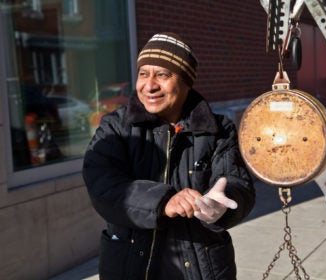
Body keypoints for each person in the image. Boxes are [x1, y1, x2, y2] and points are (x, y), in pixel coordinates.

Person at [82, 32, 255, 280]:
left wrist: (221, 205)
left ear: (186, 81)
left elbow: (239, 184)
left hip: (202, 268)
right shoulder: (116, 127)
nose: (149, 85)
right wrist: (164, 201)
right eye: (143, 74)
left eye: (162, 75)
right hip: (129, 266)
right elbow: (102, 184)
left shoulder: (218, 130)